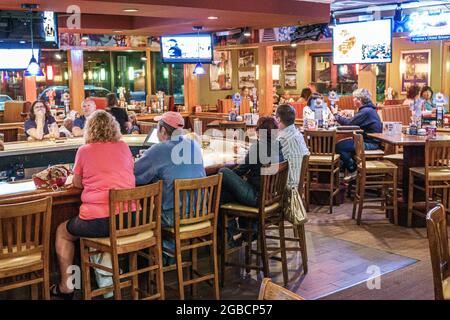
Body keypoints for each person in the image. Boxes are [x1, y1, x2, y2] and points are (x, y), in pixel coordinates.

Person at [53, 110, 135, 298]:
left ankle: (67, 286)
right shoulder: (123, 146)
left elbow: (77, 184)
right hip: (130, 218)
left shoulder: (84, 150)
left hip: (100, 221)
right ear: (114, 127)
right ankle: (110, 282)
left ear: (89, 129)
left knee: (63, 232)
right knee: (101, 231)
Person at [134, 112, 205, 262]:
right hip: (201, 211)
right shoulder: (194, 145)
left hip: (174, 217)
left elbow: (133, 175)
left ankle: (158, 260)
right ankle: (170, 251)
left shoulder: (158, 150)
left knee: (142, 219)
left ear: (163, 131)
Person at [219, 116, 284, 246]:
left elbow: (239, 171)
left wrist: (228, 169)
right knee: (222, 195)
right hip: (272, 197)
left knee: (223, 172)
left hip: (257, 197)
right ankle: (247, 232)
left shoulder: (258, 146)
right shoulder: (279, 145)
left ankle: (229, 238)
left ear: (260, 131)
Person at [330, 88, 382, 177]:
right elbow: (354, 121)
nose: (353, 100)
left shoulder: (366, 111)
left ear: (360, 100)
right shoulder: (368, 110)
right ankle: (345, 170)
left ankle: (353, 169)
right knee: (343, 145)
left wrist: (336, 115)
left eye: (354, 98)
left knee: (338, 146)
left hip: (371, 143)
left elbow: (349, 123)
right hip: (369, 141)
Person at [275, 104, 310, 188]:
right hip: (297, 184)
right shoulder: (298, 134)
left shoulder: (282, 138)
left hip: (286, 187)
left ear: (278, 119)